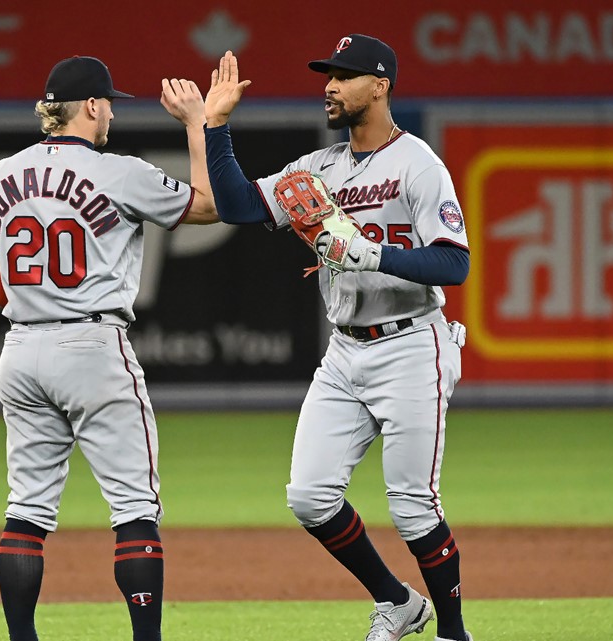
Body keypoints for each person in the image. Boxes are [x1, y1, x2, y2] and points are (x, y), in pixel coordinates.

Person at [202, 36, 472, 641]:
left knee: (412, 507)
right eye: (327, 74)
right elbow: (240, 206)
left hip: (411, 345)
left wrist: (373, 252)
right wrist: (217, 125)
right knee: (309, 496)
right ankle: (397, 603)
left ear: (380, 86)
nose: (330, 85)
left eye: (345, 75)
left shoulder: (418, 163)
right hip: (345, 350)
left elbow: (455, 264)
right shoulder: (318, 169)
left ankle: (454, 633)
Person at [0, 56, 218, 641]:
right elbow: (206, 205)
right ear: (94, 106)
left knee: (27, 507)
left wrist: (36, 306)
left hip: (22, 348)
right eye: (110, 104)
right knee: (134, 507)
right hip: (92, 342)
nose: (111, 114)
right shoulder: (118, 171)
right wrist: (197, 125)